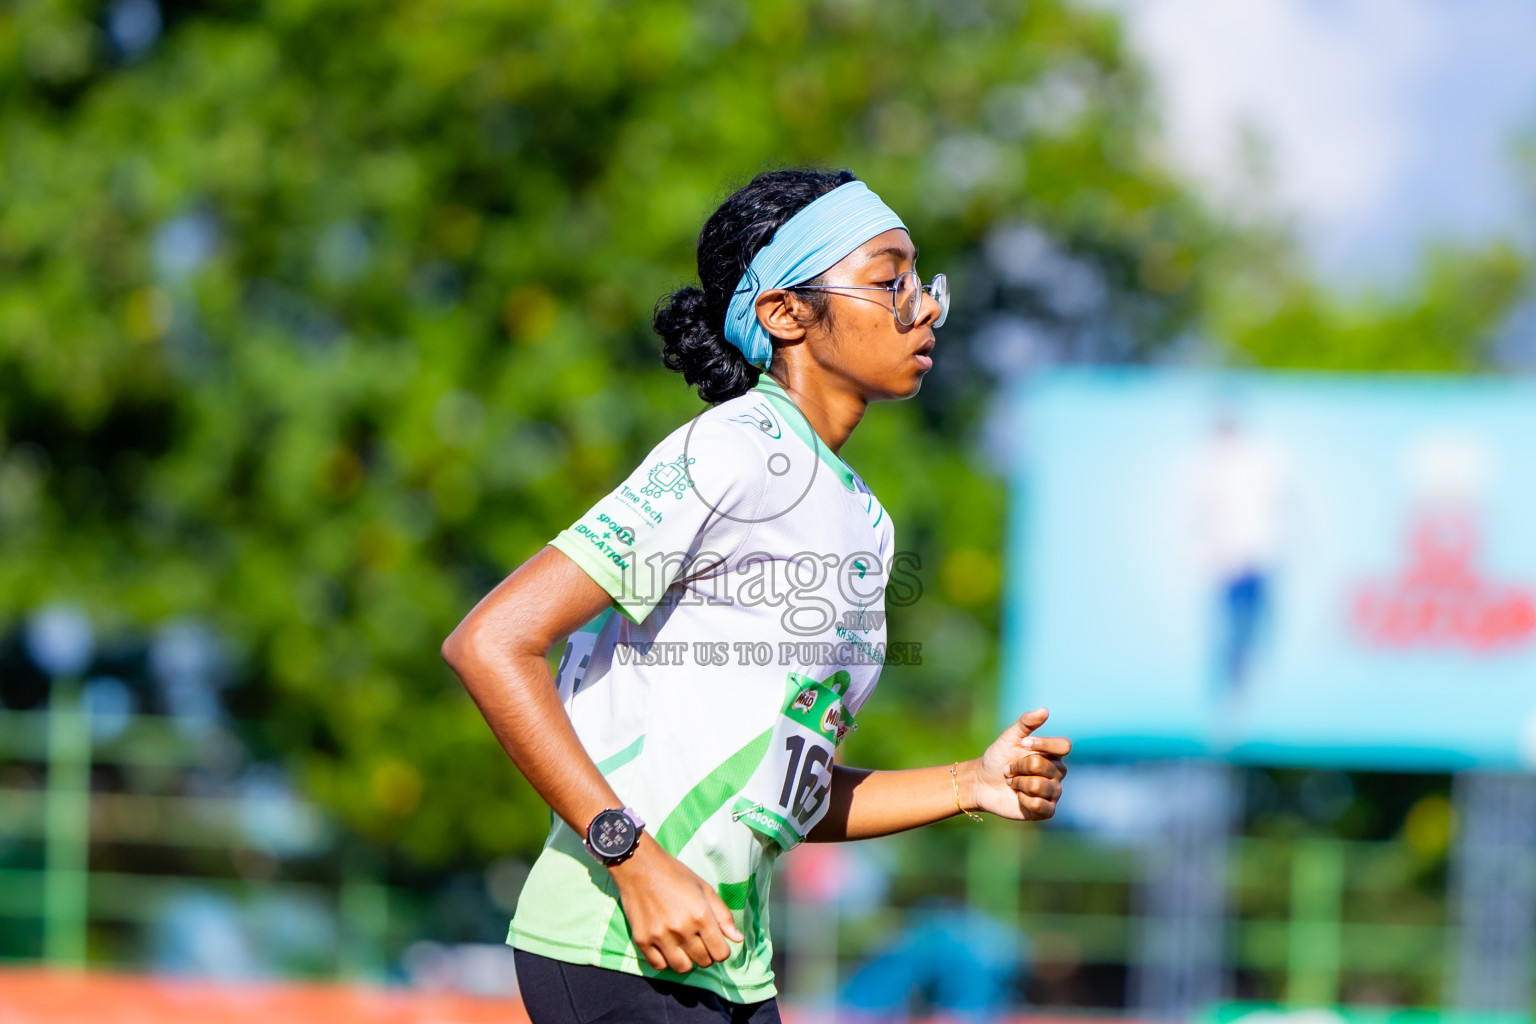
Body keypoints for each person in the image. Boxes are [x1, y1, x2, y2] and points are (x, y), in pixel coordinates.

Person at [441, 169, 1071, 1024]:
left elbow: (784, 795)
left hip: (733, 968)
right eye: (890, 281)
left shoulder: (864, 519)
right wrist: (632, 860)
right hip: (614, 944)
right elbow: (491, 641)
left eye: (924, 285)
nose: (922, 309)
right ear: (783, 314)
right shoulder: (735, 447)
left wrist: (970, 781)